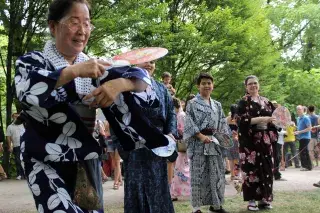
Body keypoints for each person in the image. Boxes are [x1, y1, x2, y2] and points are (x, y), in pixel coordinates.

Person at [14, 0, 151, 212]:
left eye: (87, 23)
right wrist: (75, 71)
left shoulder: (95, 66)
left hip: (86, 158)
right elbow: (26, 89)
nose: (82, 31)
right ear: (53, 26)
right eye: (74, 22)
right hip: (45, 156)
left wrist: (120, 84)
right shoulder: (32, 61)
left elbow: (144, 83)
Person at [114, 60, 177, 213]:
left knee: (159, 187)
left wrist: (170, 134)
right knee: (137, 188)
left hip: (159, 145)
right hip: (135, 146)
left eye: (153, 61)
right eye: (145, 61)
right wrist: (124, 145)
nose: (149, 64)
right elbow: (117, 116)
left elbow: (171, 114)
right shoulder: (126, 86)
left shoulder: (162, 88)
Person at [184, 73, 229, 213]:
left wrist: (225, 137)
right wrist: (200, 135)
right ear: (198, 86)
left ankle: (216, 205)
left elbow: (222, 123)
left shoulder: (217, 105)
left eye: (209, 83)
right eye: (203, 83)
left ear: (213, 85)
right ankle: (195, 208)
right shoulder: (191, 103)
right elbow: (188, 123)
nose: (207, 85)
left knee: (216, 174)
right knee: (198, 174)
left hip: (214, 143)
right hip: (198, 143)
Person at [237, 75, 278, 211]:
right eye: (250, 84)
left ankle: (265, 199)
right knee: (251, 169)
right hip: (250, 141)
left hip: (265, 140)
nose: (253, 86)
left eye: (255, 83)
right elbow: (240, 121)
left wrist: (276, 123)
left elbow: (274, 120)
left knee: (266, 169)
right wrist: (261, 119)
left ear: (258, 85)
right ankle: (252, 200)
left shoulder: (267, 102)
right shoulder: (243, 102)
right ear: (246, 87)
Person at [170, 97, 191, 201]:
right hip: (180, 144)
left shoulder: (182, 116)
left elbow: (185, 130)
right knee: (181, 169)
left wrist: (177, 133)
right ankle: (176, 192)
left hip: (183, 144)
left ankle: (175, 193)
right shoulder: (178, 115)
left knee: (181, 169)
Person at [6, 113, 26, 180]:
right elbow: (8, 137)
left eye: (18, 117)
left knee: (25, 160)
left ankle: (26, 174)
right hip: (16, 145)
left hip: (24, 145)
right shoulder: (10, 127)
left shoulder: (23, 125)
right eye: (15, 116)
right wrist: (10, 146)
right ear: (12, 117)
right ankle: (19, 174)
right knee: (18, 160)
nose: (17, 118)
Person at [295, 105, 313, 171]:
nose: (298, 110)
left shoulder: (306, 118)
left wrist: (299, 132)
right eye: (297, 109)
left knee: (303, 152)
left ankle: (306, 166)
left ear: (303, 110)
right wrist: (296, 129)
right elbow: (299, 127)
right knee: (303, 151)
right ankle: (308, 166)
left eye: (300, 109)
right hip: (301, 137)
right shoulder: (298, 118)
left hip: (306, 137)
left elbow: (309, 128)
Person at [226, 105, 241, 180]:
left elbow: (224, 129)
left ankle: (232, 175)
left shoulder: (227, 119)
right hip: (237, 139)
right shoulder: (238, 118)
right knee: (237, 158)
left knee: (231, 159)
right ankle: (236, 174)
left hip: (229, 140)